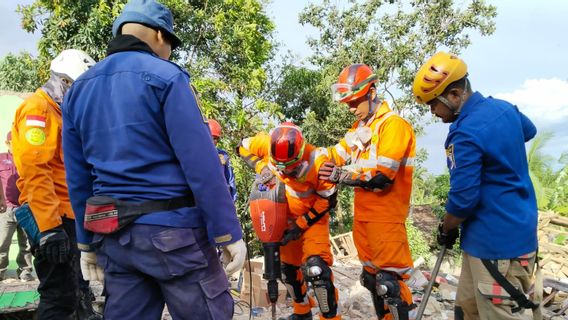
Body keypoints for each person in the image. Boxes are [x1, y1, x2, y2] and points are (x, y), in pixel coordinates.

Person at [61, 0, 247, 319]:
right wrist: (227, 232)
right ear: (160, 35)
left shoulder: (78, 90)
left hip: (114, 239)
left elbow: (78, 179)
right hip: (174, 237)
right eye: (171, 44)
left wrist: (86, 244)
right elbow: (201, 166)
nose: (170, 52)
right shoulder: (166, 77)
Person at [413, 52, 540, 320]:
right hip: (503, 236)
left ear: (456, 95)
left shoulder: (465, 132)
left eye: (434, 104)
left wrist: (446, 227)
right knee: (467, 310)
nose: (433, 112)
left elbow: (463, 199)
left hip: (497, 247)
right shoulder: (505, 108)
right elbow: (529, 131)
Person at [318, 64, 416, 320]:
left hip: (386, 219)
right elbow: (334, 155)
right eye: (347, 103)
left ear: (372, 93)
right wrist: (302, 156)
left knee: (389, 285)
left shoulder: (393, 126)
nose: (351, 108)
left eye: (355, 102)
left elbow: (383, 178)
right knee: (371, 280)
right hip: (364, 219)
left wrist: (342, 176)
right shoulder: (359, 130)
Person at [11, 49, 100, 319]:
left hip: (69, 218)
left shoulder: (61, 113)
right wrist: (49, 228)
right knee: (59, 297)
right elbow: (35, 170)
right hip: (51, 219)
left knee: (78, 291)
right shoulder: (37, 110)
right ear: (64, 82)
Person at [238, 122, 341, 320]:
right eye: (279, 167)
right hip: (283, 220)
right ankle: (302, 312)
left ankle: (330, 317)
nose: (284, 172)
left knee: (316, 270)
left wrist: (301, 225)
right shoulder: (265, 144)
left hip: (312, 222)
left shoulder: (318, 162)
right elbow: (241, 146)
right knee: (287, 271)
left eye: (289, 168)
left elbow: (328, 200)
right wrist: (261, 166)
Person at [0, 131, 34, 282]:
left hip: (26, 207)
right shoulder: (1, 159)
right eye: (14, 142)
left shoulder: (28, 159)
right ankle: (1, 270)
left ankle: (25, 270)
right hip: (6, 208)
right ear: (8, 143)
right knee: (2, 242)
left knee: (26, 243)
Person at [208, 119, 237, 202]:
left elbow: (230, 178)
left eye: (216, 138)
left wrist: (232, 200)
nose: (213, 141)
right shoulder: (196, 154)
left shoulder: (223, 155)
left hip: (221, 198)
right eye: (211, 137)